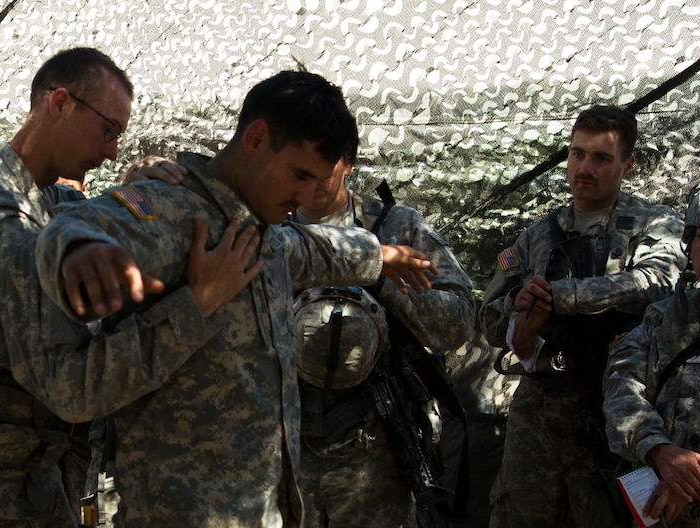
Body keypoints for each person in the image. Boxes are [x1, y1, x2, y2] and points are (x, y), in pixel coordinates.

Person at [34, 69, 438, 527]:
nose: (306, 195)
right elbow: (65, 237)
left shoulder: (258, 227)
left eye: (318, 180)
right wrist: (195, 303)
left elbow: (308, 248)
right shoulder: (168, 211)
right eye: (299, 174)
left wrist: (381, 254)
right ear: (258, 138)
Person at [0, 47, 261, 527]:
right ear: (60, 103)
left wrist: (131, 191)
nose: (111, 151)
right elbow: (77, 389)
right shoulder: (6, 233)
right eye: (108, 131)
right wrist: (199, 304)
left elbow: (71, 209)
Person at [479, 104, 686, 527]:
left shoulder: (654, 223)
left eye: (601, 158)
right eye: (577, 154)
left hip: (614, 414)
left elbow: (659, 281)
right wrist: (522, 318)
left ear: (626, 165)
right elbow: (489, 317)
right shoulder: (539, 234)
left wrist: (561, 296)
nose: (584, 168)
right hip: (538, 418)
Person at [289, 156, 475, 526]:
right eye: (303, 153)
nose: (315, 170)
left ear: (348, 163)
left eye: (327, 155)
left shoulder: (396, 225)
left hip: (374, 447)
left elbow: (458, 322)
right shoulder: (267, 226)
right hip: (283, 447)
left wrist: (384, 278)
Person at [604, 174, 700, 527]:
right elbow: (620, 385)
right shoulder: (663, 317)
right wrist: (659, 450)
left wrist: (690, 478)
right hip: (656, 509)